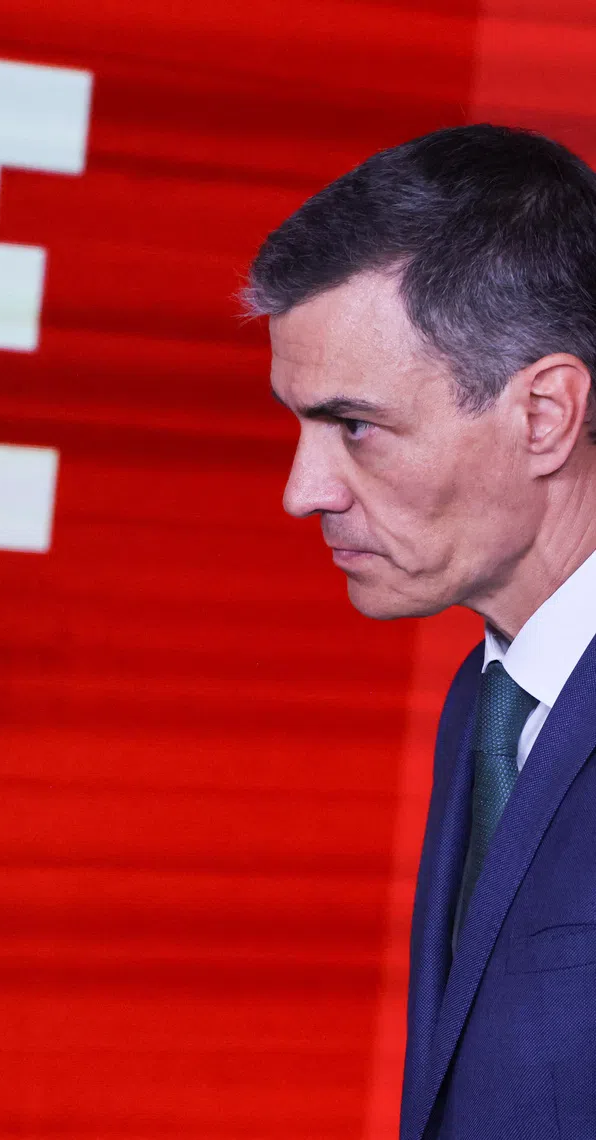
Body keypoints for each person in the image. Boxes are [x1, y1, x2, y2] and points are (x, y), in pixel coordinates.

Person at [245, 124, 596, 1139]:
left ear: (545, 416)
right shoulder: (486, 706)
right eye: (299, 425)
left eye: (356, 426)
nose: (303, 490)